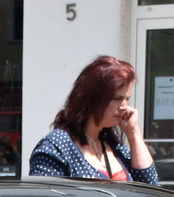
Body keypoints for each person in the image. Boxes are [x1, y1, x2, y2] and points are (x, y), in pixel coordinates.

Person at [29, 56, 158, 185]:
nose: (124, 106)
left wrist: (133, 132)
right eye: (117, 98)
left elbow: (149, 185)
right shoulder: (56, 146)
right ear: (93, 98)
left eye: (127, 99)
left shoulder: (111, 143)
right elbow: (44, 196)